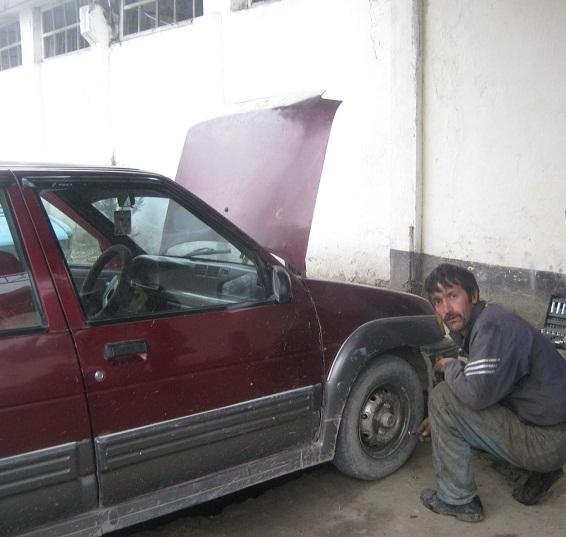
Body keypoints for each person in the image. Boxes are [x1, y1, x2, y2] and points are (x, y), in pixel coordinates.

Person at [419, 263, 566, 522]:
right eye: (438, 301)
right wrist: (440, 421)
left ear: (473, 295)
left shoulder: (491, 327)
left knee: (443, 397)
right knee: (453, 405)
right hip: (550, 432)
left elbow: (476, 396)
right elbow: (488, 385)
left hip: (546, 442)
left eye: (453, 295)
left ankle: (457, 500)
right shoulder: (487, 319)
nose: (446, 309)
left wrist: (450, 367)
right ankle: (535, 475)